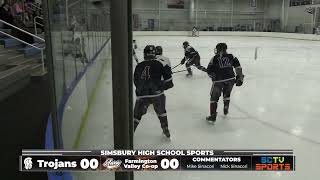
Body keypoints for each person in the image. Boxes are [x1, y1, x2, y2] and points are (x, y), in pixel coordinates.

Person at [133, 45, 174, 138]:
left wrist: (144, 90)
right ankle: (166, 132)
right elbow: (169, 83)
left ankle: (128, 136)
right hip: (157, 95)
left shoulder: (139, 66)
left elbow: (136, 82)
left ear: (144, 54)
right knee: (161, 113)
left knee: (136, 117)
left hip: (142, 96)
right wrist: (159, 87)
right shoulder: (161, 63)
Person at [206, 43, 244, 123]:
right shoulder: (231, 56)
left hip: (218, 80)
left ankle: (213, 116)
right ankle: (226, 107)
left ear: (219, 49)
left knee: (214, 98)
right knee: (227, 94)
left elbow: (209, 70)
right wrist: (240, 78)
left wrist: (212, 75)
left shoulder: (214, 58)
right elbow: (238, 68)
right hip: (231, 79)